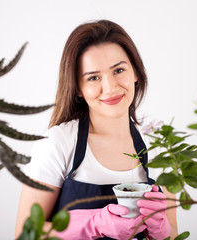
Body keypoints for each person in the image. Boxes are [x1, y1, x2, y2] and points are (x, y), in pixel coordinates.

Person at [15, 20, 178, 240]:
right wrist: (94, 224)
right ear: (78, 88)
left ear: (136, 73)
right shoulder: (58, 143)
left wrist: (161, 230)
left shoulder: (160, 145)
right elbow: (24, 234)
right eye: (93, 77)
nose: (110, 87)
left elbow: (173, 235)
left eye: (119, 70)